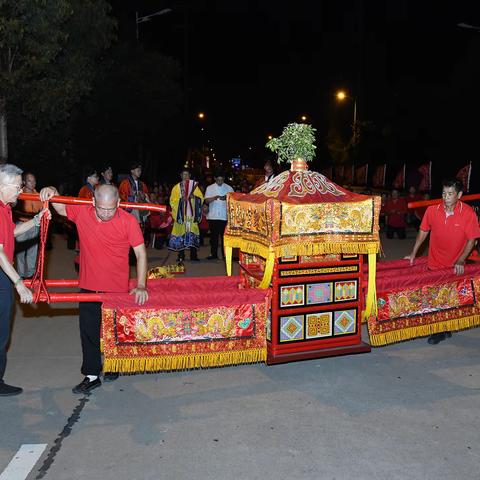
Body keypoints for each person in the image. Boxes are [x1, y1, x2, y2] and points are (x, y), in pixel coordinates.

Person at [40, 184, 149, 394]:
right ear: (93, 202)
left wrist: (142, 284)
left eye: (111, 208)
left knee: (113, 331)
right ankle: (91, 375)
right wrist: (52, 191)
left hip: (116, 288)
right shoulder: (83, 213)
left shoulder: (128, 221)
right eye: (101, 208)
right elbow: (61, 207)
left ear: (118, 203)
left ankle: (113, 365)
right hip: (89, 286)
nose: (106, 213)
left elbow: (141, 254)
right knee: (88, 331)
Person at [406, 179, 480, 345]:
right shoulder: (432, 210)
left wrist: (461, 260)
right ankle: (440, 329)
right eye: (443, 193)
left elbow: (472, 239)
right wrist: (413, 253)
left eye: (450, 194)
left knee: (449, 298)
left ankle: (443, 329)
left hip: (454, 267)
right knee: (435, 297)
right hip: (434, 263)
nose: (446, 197)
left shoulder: (468, 213)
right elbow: (423, 231)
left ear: (459, 195)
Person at [0, 164, 48, 396]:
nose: (20, 191)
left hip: (3, 274)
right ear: (2, 186)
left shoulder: (5, 208)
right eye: (17, 187)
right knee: (1, 333)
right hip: (2, 275)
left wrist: (37, 221)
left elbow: (12, 233)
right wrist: (19, 283)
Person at [168, 169, 203, 262]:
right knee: (181, 233)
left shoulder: (194, 187)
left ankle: (193, 255)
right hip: (181, 215)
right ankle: (181, 255)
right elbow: (172, 201)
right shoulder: (176, 188)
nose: (185, 176)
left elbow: (201, 198)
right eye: (184, 174)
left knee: (192, 232)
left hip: (191, 215)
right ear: (181, 175)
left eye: (187, 174)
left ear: (190, 175)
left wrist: (194, 198)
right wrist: (180, 200)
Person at [14, 172, 42, 279]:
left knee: (33, 251)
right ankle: (20, 274)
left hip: (34, 225)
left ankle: (31, 274)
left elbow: (41, 210)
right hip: (21, 224)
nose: (33, 183)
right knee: (20, 252)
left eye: (34, 180)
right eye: (30, 180)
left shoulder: (38, 195)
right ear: (24, 182)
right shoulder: (19, 195)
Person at [204, 173, 233, 260]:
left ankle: (225, 255)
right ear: (215, 178)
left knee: (224, 237)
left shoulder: (229, 188)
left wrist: (226, 198)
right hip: (213, 215)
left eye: (221, 180)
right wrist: (214, 197)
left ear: (224, 178)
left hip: (224, 216)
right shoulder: (210, 188)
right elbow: (206, 200)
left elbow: (233, 201)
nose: (220, 182)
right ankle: (214, 254)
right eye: (218, 180)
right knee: (214, 237)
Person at [118, 162, 150, 228]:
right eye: (138, 170)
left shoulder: (142, 184)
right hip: (131, 211)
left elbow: (147, 196)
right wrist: (134, 198)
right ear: (132, 171)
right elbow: (121, 197)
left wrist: (143, 196)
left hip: (141, 211)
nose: (140, 172)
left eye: (140, 170)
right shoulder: (125, 183)